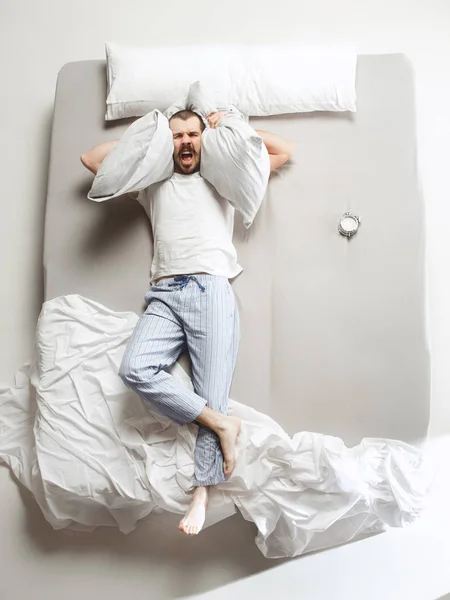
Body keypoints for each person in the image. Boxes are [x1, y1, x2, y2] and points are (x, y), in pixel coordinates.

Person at [80, 110, 294, 535]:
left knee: (211, 390)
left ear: (203, 140)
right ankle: (220, 422)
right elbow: (92, 159)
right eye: (177, 136)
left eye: (192, 135)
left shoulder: (225, 178)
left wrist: (223, 129)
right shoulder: (153, 182)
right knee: (135, 369)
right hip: (163, 293)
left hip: (210, 290)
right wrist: (153, 132)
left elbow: (282, 151)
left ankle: (201, 493)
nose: (185, 143)